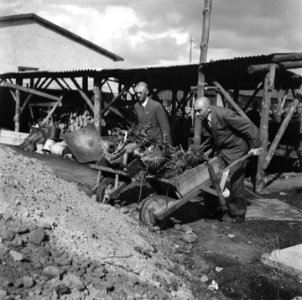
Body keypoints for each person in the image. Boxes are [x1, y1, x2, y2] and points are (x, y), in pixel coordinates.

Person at [194, 96, 262, 223]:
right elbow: (217, 136)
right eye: (195, 111)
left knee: (235, 180)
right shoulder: (204, 118)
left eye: (199, 110)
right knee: (212, 175)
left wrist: (256, 146)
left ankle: (238, 214)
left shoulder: (224, 114)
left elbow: (248, 126)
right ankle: (218, 207)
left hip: (237, 148)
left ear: (208, 108)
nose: (197, 114)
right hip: (223, 149)